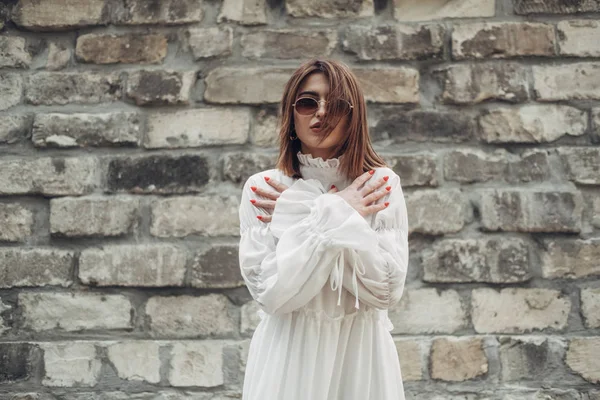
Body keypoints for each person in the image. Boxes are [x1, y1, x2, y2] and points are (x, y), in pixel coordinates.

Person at [238, 58, 409, 400]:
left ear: (354, 115)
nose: (321, 113)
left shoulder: (379, 185)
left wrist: (315, 215)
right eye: (307, 102)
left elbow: (386, 291)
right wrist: (340, 212)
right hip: (288, 360)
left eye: (336, 104)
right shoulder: (264, 188)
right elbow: (272, 293)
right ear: (291, 114)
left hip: (361, 359)